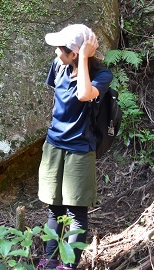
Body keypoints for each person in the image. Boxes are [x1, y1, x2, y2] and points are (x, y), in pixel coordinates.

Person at [36, 24, 113, 270]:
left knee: (76, 212)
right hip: (54, 144)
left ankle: (68, 266)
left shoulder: (102, 76)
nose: (56, 52)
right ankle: (49, 262)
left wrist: (83, 59)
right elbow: (58, 99)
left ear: (75, 53)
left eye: (61, 49)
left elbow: (83, 94)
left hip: (80, 149)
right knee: (54, 208)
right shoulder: (58, 66)